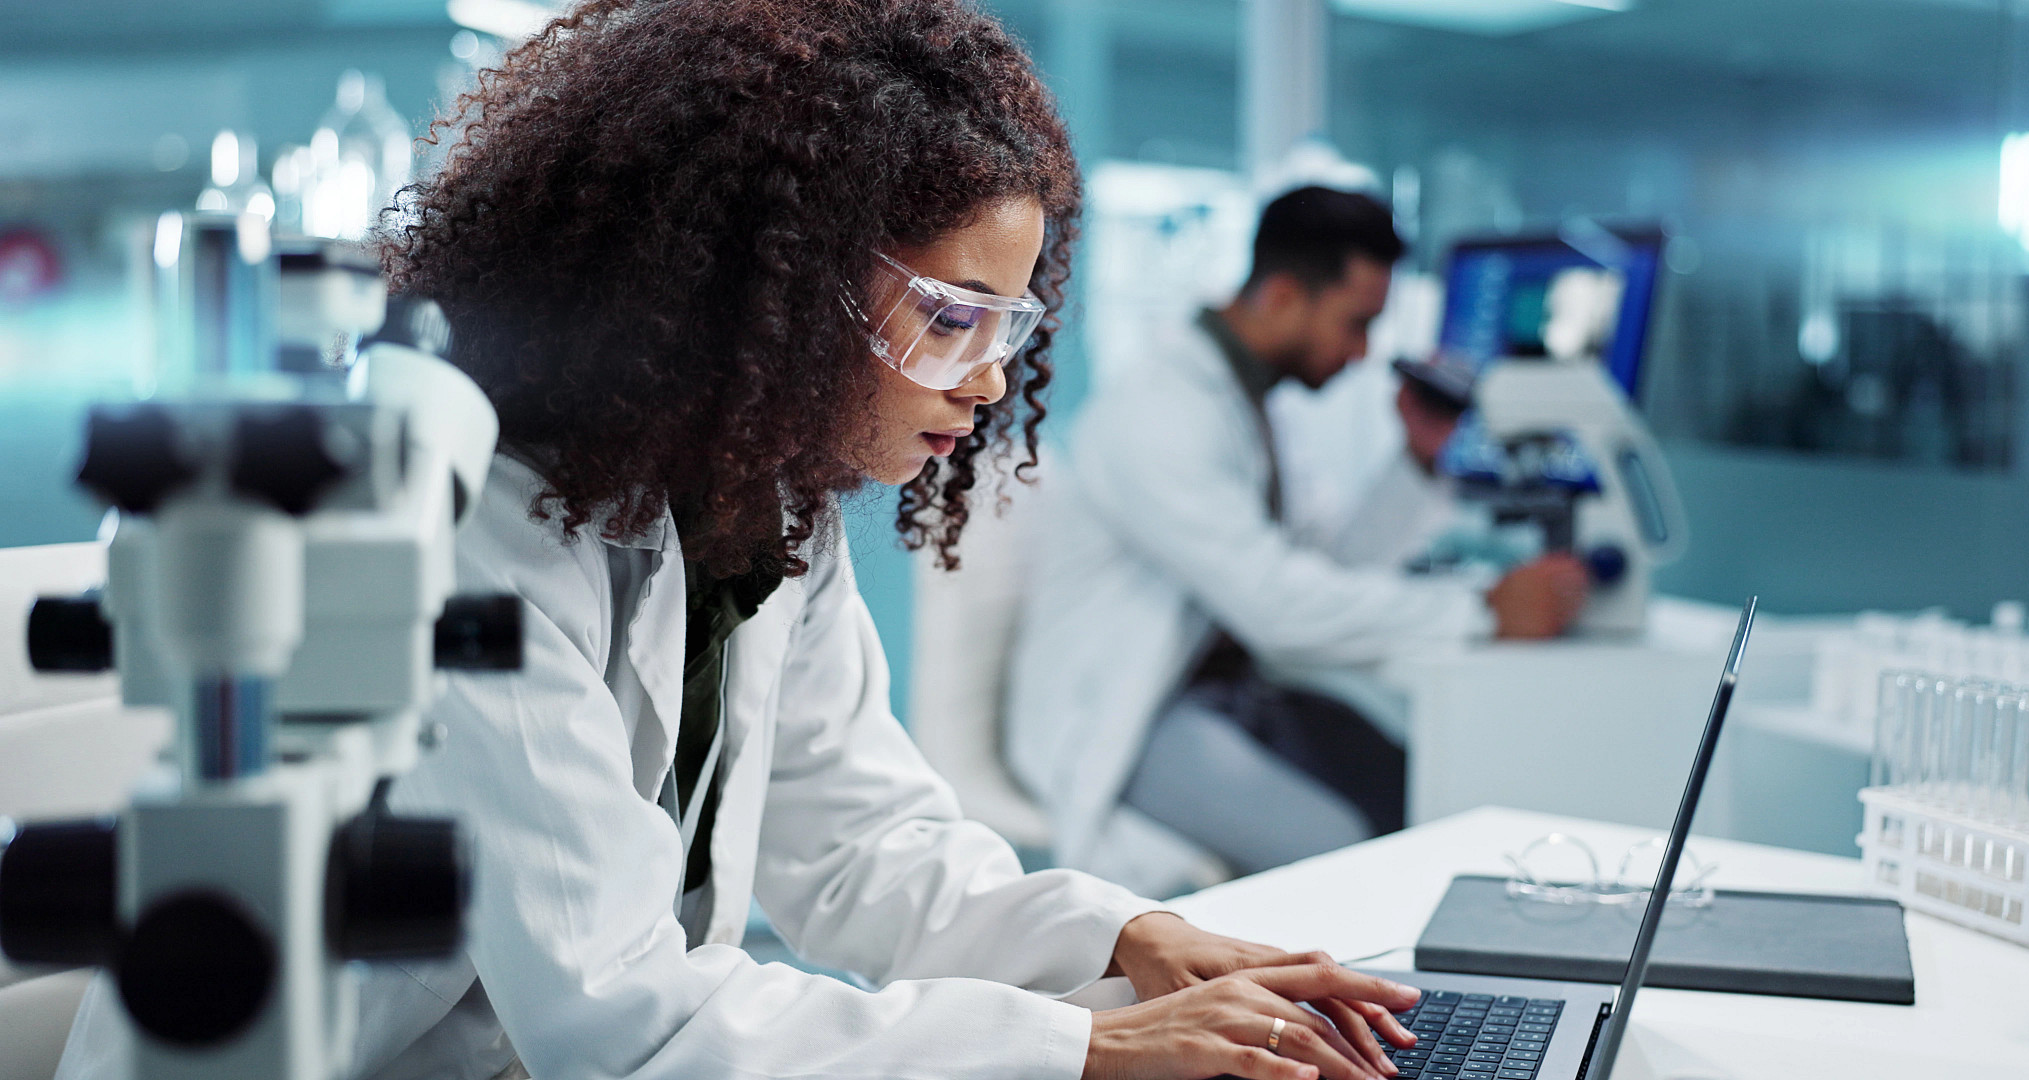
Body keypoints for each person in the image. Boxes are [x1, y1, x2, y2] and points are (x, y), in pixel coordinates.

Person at [45, 4, 1430, 1080]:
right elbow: (624, 1023)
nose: (991, 379)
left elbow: (865, 848)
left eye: (1008, 327)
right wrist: (1081, 1049)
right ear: (754, 295)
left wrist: (1125, 942)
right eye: (951, 319)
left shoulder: (765, 511)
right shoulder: (456, 528)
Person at [1005, 186, 1590, 896]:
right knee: (1347, 859)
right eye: (1355, 323)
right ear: (1282, 295)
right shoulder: (1158, 413)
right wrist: (1484, 614)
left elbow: (1317, 575)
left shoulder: (1248, 401)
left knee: (1424, 798)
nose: (1364, 351)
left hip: (1226, 695)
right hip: (1130, 722)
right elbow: (1279, 611)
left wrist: (1416, 460)